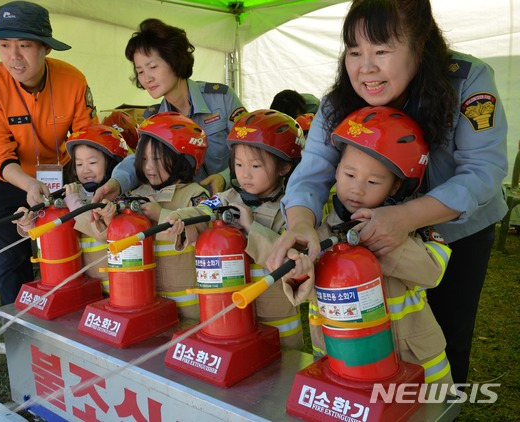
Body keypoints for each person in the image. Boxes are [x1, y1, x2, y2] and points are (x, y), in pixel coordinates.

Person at [267, 0, 508, 385]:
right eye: (354, 51)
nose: (366, 68)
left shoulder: (466, 81)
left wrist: (405, 217)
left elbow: (484, 170)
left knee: (446, 336)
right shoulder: (338, 101)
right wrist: (299, 223)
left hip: (458, 230)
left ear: (421, 44)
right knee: (377, 328)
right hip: (375, 230)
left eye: (382, 50)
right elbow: (310, 174)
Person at [293, 106, 453, 385]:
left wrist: (384, 241)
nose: (357, 189)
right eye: (349, 175)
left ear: (395, 187)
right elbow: (303, 293)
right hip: (342, 356)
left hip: (412, 360)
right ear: (336, 170)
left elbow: (433, 272)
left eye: (373, 181)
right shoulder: (319, 229)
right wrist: (299, 272)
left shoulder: (411, 223)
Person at [0, 1, 98, 305]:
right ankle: (17, 326)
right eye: (4, 45)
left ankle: (70, 312)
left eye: (25, 45)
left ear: (45, 48)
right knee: (11, 256)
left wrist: (92, 178)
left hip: (60, 172)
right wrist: (28, 184)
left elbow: (87, 136)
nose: (13, 57)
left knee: (70, 239)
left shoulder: (73, 80)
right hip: (4, 177)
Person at [165, 110, 307, 349]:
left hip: (276, 320)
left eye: (255, 165)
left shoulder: (292, 210)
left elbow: (292, 258)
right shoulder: (227, 197)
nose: (245, 174)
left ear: (284, 167)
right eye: (239, 164)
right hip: (231, 317)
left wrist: (252, 227)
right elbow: (202, 212)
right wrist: (179, 217)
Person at [93, 18, 246, 203]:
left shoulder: (222, 98)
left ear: (174, 60)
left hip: (236, 199)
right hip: (188, 207)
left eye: (153, 67)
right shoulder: (154, 119)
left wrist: (224, 177)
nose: (147, 78)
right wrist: (117, 183)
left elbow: (249, 149)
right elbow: (140, 160)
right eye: (140, 71)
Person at [93, 112, 210, 319]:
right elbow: (113, 235)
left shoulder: (196, 193)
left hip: (186, 305)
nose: (148, 167)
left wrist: (162, 214)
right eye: (144, 158)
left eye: (156, 159)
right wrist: (110, 218)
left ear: (183, 159)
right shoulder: (136, 193)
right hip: (143, 301)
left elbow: (204, 230)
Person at [13, 125, 128, 295]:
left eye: (93, 163)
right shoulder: (72, 193)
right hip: (80, 282)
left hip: (113, 285)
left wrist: (73, 201)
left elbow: (96, 225)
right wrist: (28, 223)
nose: (85, 170)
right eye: (79, 164)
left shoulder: (120, 198)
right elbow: (51, 230)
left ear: (112, 164)